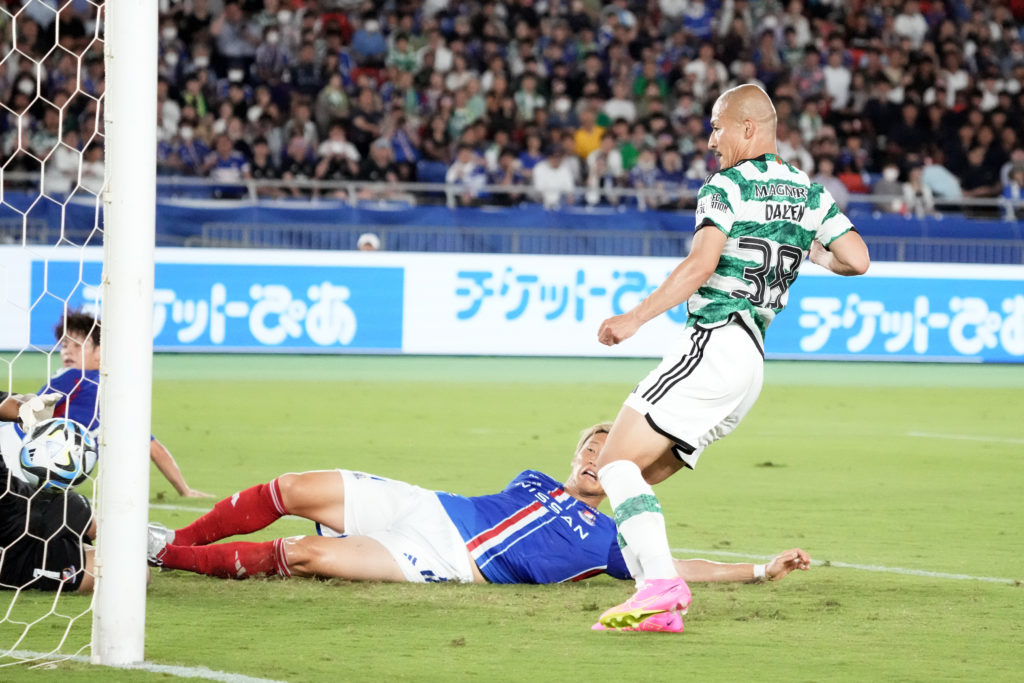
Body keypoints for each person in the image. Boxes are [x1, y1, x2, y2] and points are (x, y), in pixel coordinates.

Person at [591, 84, 869, 633]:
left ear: (748, 127)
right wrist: (808, 249)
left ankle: (662, 589)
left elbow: (700, 266)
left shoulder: (727, 184)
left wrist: (635, 318)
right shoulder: (809, 193)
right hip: (751, 366)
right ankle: (657, 603)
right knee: (634, 476)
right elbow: (857, 260)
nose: (711, 138)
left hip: (717, 338)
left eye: (718, 126)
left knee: (613, 466)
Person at [147, 422, 810, 632]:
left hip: (444, 557)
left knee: (307, 553)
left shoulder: (611, 541)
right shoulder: (534, 479)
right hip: (429, 503)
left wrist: (757, 569)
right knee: (294, 488)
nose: (593, 454)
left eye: (607, 449)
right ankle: (183, 539)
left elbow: (677, 568)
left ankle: (163, 556)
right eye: (588, 444)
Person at [0, 312, 211, 498]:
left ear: (101, 351)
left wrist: (185, 490)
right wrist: (184, 490)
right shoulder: (95, 385)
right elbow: (26, 410)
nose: (67, 352)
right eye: (64, 345)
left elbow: (151, 446)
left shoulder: (87, 382)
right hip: (22, 456)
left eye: (77, 345)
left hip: (26, 460)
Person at [0, 408, 96, 594]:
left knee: (91, 524)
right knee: (128, 570)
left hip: (18, 509)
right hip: (17, 552)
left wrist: (24, 404)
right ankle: (159, 548)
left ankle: (160, 545)